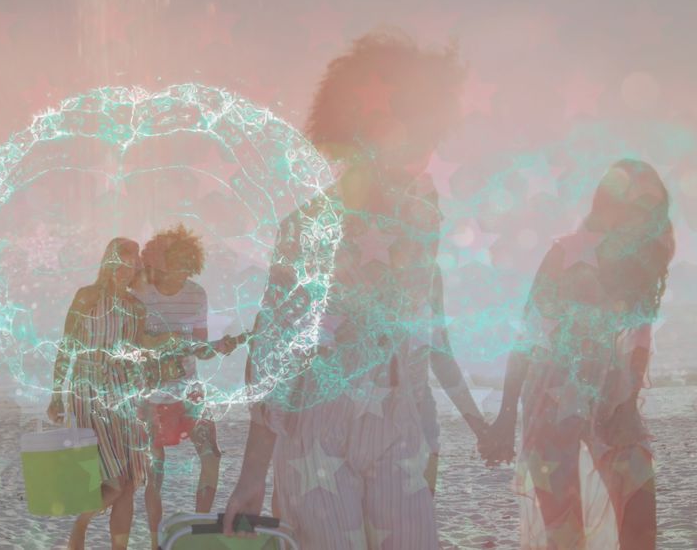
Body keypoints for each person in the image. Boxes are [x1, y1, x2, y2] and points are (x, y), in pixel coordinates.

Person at [223, 31, 484, 549]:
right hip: (318, 420)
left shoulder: (421, 216)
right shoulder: (307, 226)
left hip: (395, 422)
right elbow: (271, 346)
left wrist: (424, 438)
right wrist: (253, 477)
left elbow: (418, 335)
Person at [479, 160, 673, 549]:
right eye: (634, 204)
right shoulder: (567, 253)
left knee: (641, 522)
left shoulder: (648, 259)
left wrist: (628, 403)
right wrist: (504, 415)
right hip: (552, 395)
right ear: (610, 203)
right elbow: (526, 331)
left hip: (612, 395)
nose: (643, 215)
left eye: (652, 207)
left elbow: (640, 339)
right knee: (566, 535)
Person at [46, 238, 169, 550]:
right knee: (113, 481)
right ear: (108, 263)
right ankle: (80, 526)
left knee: (127, 483)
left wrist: (170, 345)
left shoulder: (135, 307)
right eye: (121, 265)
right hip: (88, 388)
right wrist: (56, 394)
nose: (125, 272)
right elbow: (67, 345)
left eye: (132, 267)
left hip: (124, 392)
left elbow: (140, 351)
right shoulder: (87, 296)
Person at [131, 224, 240, 549]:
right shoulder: (140, 293)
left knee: (211, 454)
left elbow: (201, 349)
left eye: (185, 266)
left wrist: (222, 346)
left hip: (190, 392)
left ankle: (201, 530)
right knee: (156, 470)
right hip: (150, 396)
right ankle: (155, 540)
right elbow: (132, 342)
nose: (180, 272)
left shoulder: (196, 294)